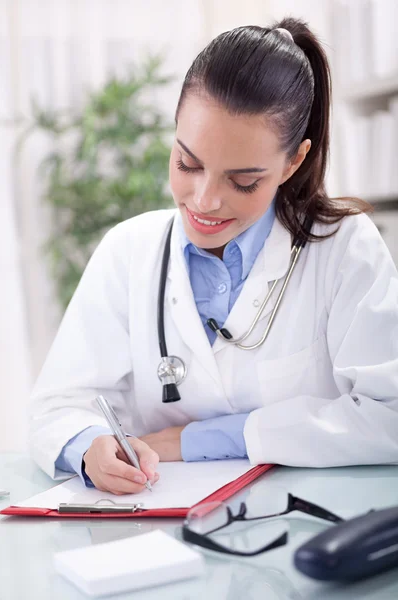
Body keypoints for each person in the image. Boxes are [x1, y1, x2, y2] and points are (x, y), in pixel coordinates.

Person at [29, 18, 398, 495]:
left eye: (243, 181)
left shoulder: (345, 248)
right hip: (163, 542)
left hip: (307, 525)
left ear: (293, 161)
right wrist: (88, 446)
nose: (203, 201)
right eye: (187, 163)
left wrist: (205, 439)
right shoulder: (128, 252)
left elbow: (389, 415)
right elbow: (56, 408)